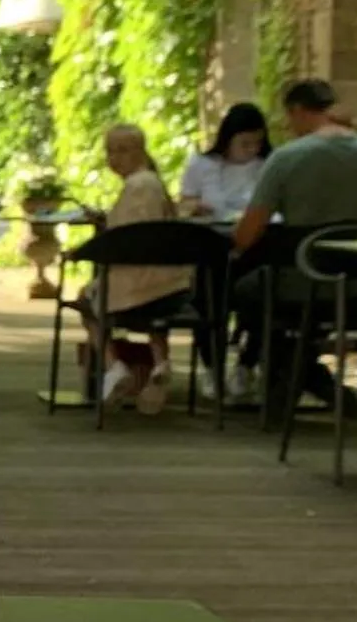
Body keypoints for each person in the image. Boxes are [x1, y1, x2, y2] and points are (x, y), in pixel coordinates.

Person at [232, 79, 357, 410]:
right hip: (355, 289)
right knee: (271, 291)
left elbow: (246, 236)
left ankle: (301, 377)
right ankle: (308, 379)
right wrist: (356, 127)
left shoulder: (287, 158)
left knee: (242, 289)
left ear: (297, 110)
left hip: (295, 285)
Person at [79, 123, 191, 415]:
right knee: (156, 312)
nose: (114, 158)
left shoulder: (136, 186)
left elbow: (125, 240)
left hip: (135, 286)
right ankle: (160, 360)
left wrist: (80, 252)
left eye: (122, 150)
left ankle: (113, 364)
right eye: (110, 151)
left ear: (140, 151)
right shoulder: (155, 184)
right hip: (172, 286)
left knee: (86, 298)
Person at [179, 103, 269, 221]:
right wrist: (196, 207)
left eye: (258, 143)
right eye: (245, 144)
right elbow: (185, 204)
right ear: (228, 140)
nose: (253, 149)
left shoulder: (267, 165)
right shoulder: (201, 164)